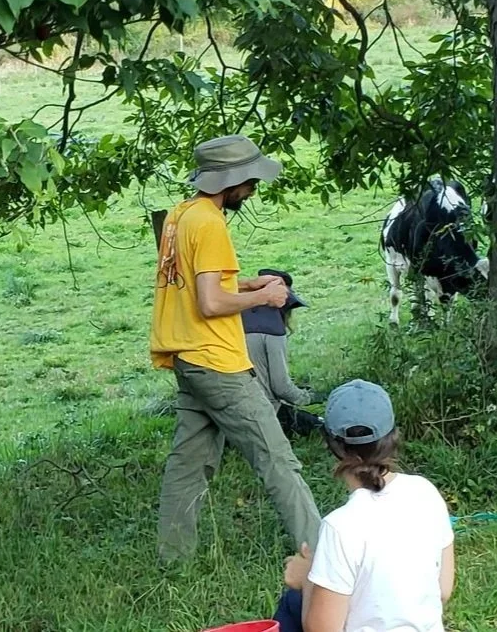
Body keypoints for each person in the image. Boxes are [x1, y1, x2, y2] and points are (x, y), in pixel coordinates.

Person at [151, 134, 322, 563]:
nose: (253, 189)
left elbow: (198, 284)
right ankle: (324, 558)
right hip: (217, 363)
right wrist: (266, 298)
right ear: (232, 180)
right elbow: (211, 303)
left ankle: (174, 560)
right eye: (250, 181)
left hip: (188, 356)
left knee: (187, 465)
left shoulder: (181, 215)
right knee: (277, 459)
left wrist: (247, 283)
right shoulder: (209, 224)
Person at [274, 380, 455, 632]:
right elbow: (442, 591)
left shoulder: (340, 526)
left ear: (332, 444)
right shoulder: (426, 492)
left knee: (293, 601)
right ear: (393, 435)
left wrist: (306, 580)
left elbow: (322, 630)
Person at [241, 268, 321, 438]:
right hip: (263, 415)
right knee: (318, 426)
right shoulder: (273, 330)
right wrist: (307, 397)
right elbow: (281, 387)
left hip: (229, 413)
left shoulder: (235, 321)